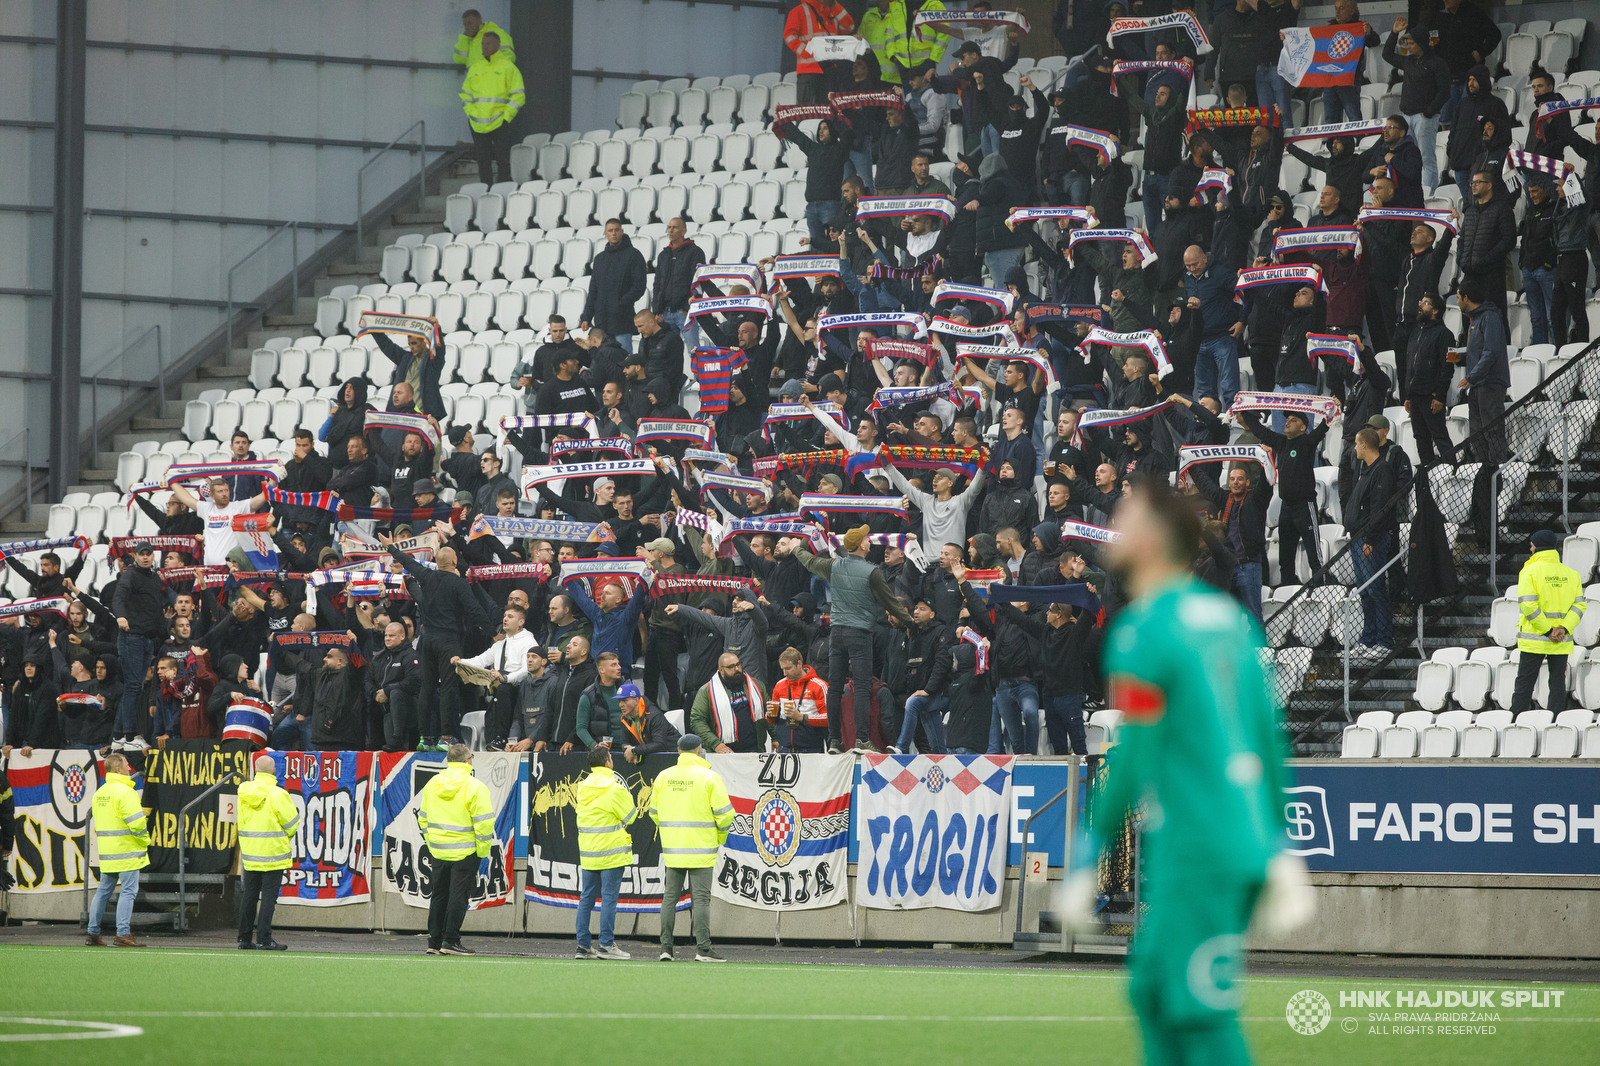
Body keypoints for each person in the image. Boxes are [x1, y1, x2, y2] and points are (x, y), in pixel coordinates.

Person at [1062, 479, 1291, 1066]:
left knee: (1199, 1009)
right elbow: (1267, 736)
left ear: (1151, 540)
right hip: (1225, 836)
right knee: (1155, 993)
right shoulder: (1226, 618)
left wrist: (1091, 857)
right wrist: (1275, 839)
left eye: (1127, 514)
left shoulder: (1144, 629)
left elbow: (1133, 753)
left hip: (1196, 844)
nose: (1116, 523)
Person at [787, 527, 914, 753]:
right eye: (867, 538)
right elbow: (890, 602)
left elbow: (810, 562)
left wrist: (795, 548)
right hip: (860, 633)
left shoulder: (834, 566)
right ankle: (861, 740)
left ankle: (835, 740)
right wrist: (911, 622)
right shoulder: (872, 572)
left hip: (837, 632)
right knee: (862, 687)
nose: (869, 540)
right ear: (863, 546)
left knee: (835, 687)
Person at [386, 542, 494, 749]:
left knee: (426, 688)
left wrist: (390, 547)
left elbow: (408, 561)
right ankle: (447, 737)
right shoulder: (459, 584)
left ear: (436, 562)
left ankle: (425, 738)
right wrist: (493, 632)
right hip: (449, 641)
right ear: (455, 562)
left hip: (427, 640)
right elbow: (475, 610)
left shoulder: (427, 576)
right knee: (448, 687)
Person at [649, 733, 735, 962]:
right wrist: (720, 836)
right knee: (701, 901)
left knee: (669, 898)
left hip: (673, 849)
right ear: (699, 750)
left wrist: (672, 833)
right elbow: (726, 815)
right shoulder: (709, 777)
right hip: (702, 849)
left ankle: (666, 949)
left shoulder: (663, 777)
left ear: (678, 751)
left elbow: (654, 814)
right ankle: (703, 950)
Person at [418, 743, 494, 956]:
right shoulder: (475, 786)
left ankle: (434, 941)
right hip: (466, 850)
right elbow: (484, 824)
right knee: (458, 896)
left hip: (438, 850)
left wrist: (432, 841)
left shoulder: (433, 783)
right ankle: (450, 941)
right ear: (467, 761)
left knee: (439, 895)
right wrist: (482, 850)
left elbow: (422, 818)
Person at [1510, 529, 1586, 716]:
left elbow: (1528, 605)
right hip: (1561, 638)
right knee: (1558, 682)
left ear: (1537, 546)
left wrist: (1547, 631)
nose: (1530, 548)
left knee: (1525, 683)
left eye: (1532, 544)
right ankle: (1556, 722)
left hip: (1535, 637)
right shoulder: (1571, 574)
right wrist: (1564, 628)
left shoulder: (1529, 571)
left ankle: (1516, 721)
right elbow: (1579, 606)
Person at [573, 744, 638, 960]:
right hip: (611, 851)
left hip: (589, 851)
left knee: (586, 898)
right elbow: (631, 816)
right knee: (609, 899)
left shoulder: (582, 787)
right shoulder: (614, 787)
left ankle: (583, 947)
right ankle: (607, 946)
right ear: (607, 762)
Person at [86, 752, 150, 948]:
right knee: (128, 892)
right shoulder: (125, 792)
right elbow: (137, 823)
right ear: (118, 769)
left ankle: (93, 933)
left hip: (107, 852)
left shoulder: (100, 793)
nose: (130, 767)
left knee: (103, 891)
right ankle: (123, 934)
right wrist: (145, 841)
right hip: (128, 851)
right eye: (126, 764)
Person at [236, 752, 298, 951]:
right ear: (274, 771)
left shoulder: (243, 792)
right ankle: (264, 938)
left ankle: (244, 939)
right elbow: (292, 823)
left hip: (250, 852)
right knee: (268, 898)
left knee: (249, 896)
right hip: (273, 853)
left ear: (255, 771)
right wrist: (283, 838)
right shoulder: (278, 794)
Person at [1383, 21, 1450, 196]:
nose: (1408, 46)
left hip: (1424, 118)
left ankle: (1429, 195)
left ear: (1421, 42)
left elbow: (1445, 92)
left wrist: (1428, 112)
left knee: (1426, 158)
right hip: (1406, 118)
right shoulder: (1408, 61)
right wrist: (1393, 33)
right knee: (1408, 158)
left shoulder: (1437, 63)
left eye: (1411, 43)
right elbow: (1387, 54)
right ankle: (1412, 193)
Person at [1346, 428, 1397, 656]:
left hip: (1370, 540)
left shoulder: (1382, 470)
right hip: (1358, 539)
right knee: (1364, 591)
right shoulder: (1365, 470)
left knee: (1375, 589)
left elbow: (1380, 507)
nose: (1355, 448)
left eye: (1357, 444)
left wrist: (1370, 538)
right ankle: (1368, 639)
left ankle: (1384, 641)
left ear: (1365, 445)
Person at [110, 542, 164, 752]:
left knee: (135, 687)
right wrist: (121, 616)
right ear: (134, 556)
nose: (145, 558)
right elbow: (119, 597)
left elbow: (155, 608)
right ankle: (130, 736)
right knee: (133, 687)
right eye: (141, 554)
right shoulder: (130, 575)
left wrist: (163, 634)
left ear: (152, 556)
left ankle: (118, 736)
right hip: (132, 637)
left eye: (148, 554)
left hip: (146, 638)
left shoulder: (153, 577)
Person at [458, 30, 523, 187]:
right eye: (482, 44)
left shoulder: (508, 67)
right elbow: (465, 94)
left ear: (498, 45)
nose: (484, 47)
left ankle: (503, 190)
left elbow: (519, 95)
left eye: (488, 44)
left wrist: (506, 117)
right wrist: (471, 113)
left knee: (503, 159)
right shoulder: (475, 68)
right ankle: (485, 192)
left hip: (499, 121)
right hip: (477, 123)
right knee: (483, 160)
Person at [1456, 278, 1510, 466]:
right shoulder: (1475, 319)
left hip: (1491, 383)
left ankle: (1499, 470)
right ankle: (1482, 471)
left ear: (1466, 297)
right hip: (1478, 384)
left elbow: (1491, 352)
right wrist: (1461, 359)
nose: (1457, 302)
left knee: (1492, 429)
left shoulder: (1490, 317)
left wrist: (1471, 376)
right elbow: (1480, 352)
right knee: (1477, 432)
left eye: (1458, 297)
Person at [1402, 292, 1456, 467]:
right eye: (1420, 301)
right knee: (1420, 438)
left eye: (1425, 303)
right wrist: (1408, 395)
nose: (1420, 306)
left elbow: (1447, 368)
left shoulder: (1444, 334)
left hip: (1431, 395)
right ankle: (1429, 474)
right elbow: (1410, 365)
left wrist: (1440, 395)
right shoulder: (1415, 333)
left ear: (1435, 310)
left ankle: (1453, 471)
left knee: (1440, 436)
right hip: (1415, 395)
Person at [581, 220, 649, 353]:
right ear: (605, 233)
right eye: (610, 230)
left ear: (622, 232)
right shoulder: (600, 259)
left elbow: (639, 286)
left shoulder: (634, 255)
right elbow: (593, 290)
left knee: (624, 362)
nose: (614, 233)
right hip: (602, 321)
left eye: (617, 230)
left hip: (622, 319)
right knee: (604, 363)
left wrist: (621, 303)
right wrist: (587, 317)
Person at [652, 217, 706, 350]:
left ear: (684, 230)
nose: (670, 231)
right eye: (669, 227)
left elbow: (699, 281)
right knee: (668, 354)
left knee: (694, 351)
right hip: (665, 314)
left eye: (674, 227)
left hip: (684, 313)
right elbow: (658, 283)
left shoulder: (695, 252)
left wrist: (687, 308)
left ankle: (698, 372)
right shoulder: (663, 255)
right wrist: (657, 310)